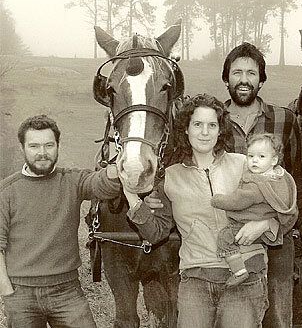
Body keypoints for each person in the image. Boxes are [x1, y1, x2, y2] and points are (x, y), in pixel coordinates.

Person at [124, 94, 269, 328]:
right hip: (196, 281)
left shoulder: (244, 165)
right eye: (198, 124)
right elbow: (156, 233)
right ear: (185, 130)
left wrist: (265, 224)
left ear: (221, 130)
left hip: (245, 278)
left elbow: (285, 207)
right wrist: (131, 197)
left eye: (212, 125)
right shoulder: (170, 177)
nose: (205, 132)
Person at [221, 42, 302, 327]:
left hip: (277, 235)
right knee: (233, 312)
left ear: (261, 79)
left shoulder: (284, 118)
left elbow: (300, 175)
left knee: (279, 315)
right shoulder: (212, 120)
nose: (244, 80)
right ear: (226, 78)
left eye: (251, 73)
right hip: (232, 231)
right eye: (237, 73)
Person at [0, 115, 120, 328]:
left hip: (67, 291)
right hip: (21, 293)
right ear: (22, 148)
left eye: (49, 145)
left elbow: (103, 185)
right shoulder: (6, 192)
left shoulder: (73, 181)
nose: (42, 153)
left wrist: (119, 166)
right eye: (34, 146)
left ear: (58, 146)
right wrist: (7, 293)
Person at [211, 133, 298, 288]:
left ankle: (238, 271)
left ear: (274, 160)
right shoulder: (280, 177)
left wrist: (217, 200)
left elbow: (237, 201)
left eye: (261, 156)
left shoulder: (256, 184)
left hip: (251, 221)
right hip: (270, 226)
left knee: (225, 238)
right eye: (250, 156)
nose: (254, 160)